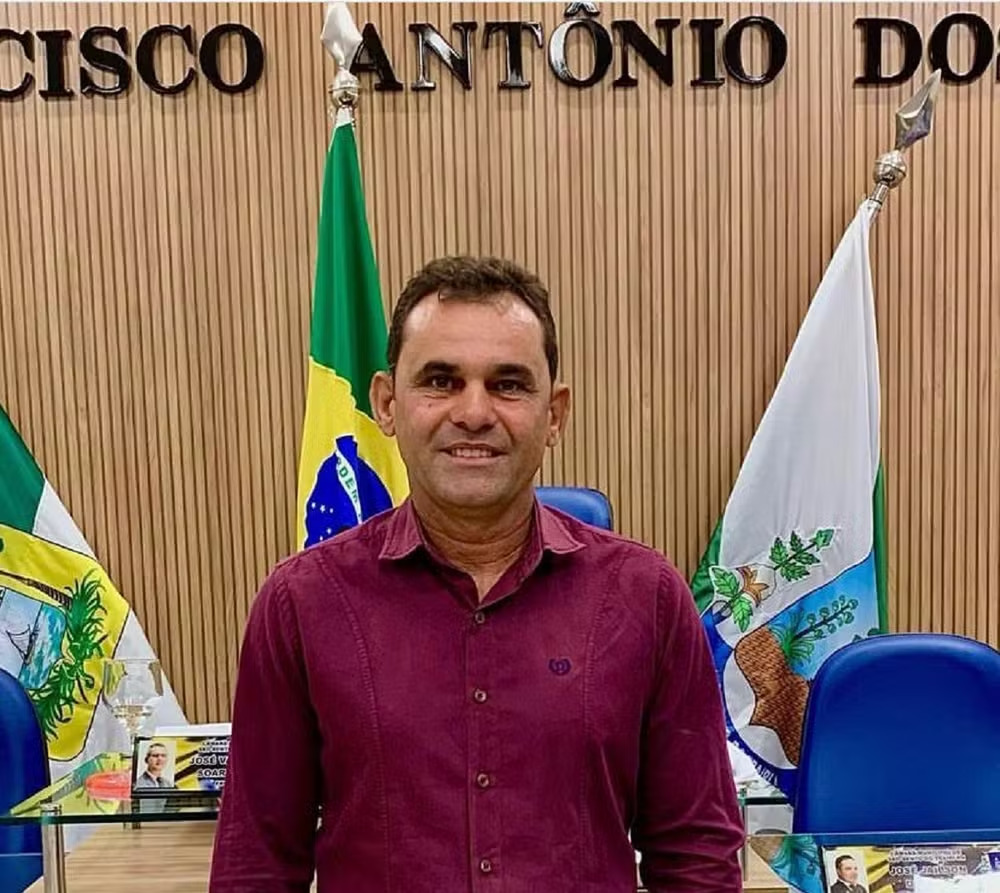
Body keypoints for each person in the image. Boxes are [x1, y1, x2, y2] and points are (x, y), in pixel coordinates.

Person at [209, 257, 744, 892]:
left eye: (508, 384)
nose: (473, 412)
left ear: (554, 414)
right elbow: (257, 864)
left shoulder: (645, 597)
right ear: (386, 403)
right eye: (440, 380)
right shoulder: (302, 603)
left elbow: (697, 853)